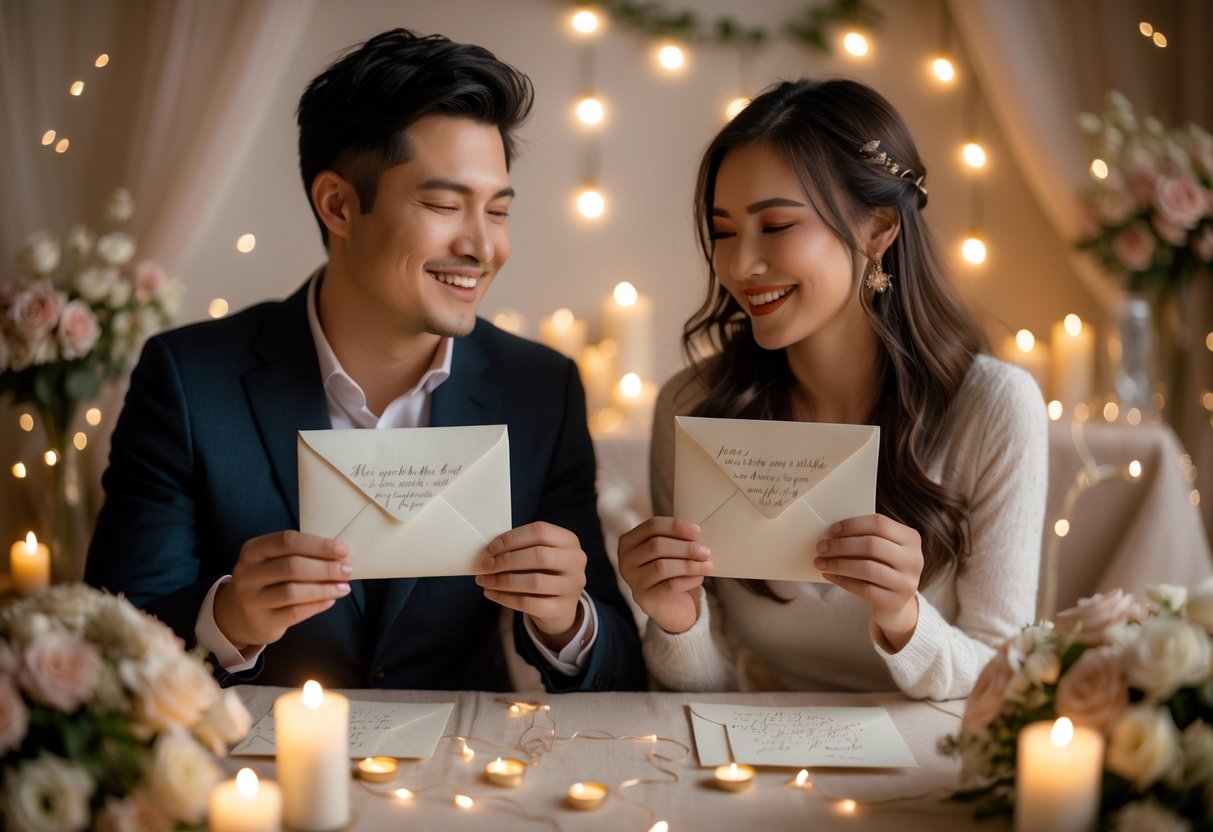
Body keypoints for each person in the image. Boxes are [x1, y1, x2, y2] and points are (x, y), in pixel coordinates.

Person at [85, 28, 645, 693]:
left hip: (460, 774)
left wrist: (565, 621)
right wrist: (226, 617)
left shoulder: (538, 387)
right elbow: (108, 642)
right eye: (443, 205)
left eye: (497, 210)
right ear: (338, 205)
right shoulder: (187, 380)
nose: (481, 245)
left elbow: (619, 672)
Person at [618, 78, 1046, 699]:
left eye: (777, 226)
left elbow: (1003, 679)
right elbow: (705, 692)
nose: (740, 266)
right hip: (750, 763)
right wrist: (677, 622)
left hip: (930, 767)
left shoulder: (994, 407)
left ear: (878, 230)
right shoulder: (692, 407)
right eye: (725, 231)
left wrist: (905, 619)